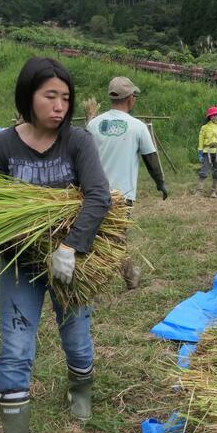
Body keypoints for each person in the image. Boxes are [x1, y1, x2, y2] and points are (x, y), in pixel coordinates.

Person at [0, 57, 111, 433]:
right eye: (49, 96)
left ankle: (80, 391)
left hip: (70, 264)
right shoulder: (1, 147)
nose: (59, 106)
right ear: (28, 96)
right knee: (16, 345)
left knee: (76, 335)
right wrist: (21, 245)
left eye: (65, 98)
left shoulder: (77, 141)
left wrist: (71, 247)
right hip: (19, 264)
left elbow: (98, 196)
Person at [87, 76, 168, 289]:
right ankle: (128, 276)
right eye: (135, 96)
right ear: (130, 98)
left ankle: (106, 274)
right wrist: (160, 183)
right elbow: (151, 159)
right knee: (117, 236)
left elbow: (82, 158)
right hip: (122, 195)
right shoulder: (137, 126)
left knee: (97, 233)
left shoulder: (93, 124)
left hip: (92, 192)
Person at [195, 105, 217, 197]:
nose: (215, 117)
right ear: (209, 116)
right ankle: (199, 190)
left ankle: (213, 191)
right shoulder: (204, 127)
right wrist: (200, 153)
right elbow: (201, 140)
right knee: (204, 169)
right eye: (213, 115)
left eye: (216, 115)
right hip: (207, 151)